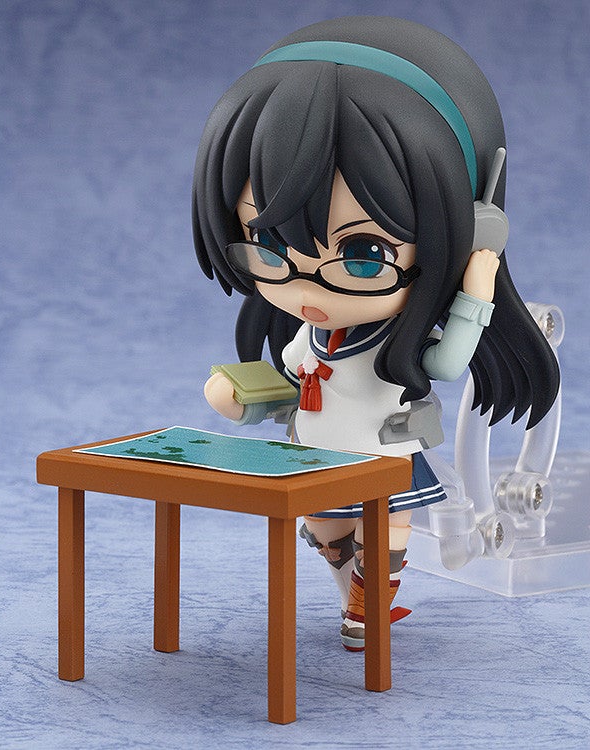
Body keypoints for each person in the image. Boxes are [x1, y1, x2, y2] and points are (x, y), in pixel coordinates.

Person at [191, 16, 560, 650]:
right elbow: (291, 383)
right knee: (324, 529)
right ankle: (355, 599)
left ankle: (369, 606)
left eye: (364, 254)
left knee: (382, 530)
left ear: (467, 228)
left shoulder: (392, 344)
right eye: (266, 242)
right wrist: (243, 399)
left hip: (381, 456)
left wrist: (476, 291)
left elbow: (447, 365)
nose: (307, 290)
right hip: (315, 454)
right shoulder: (307, 338)